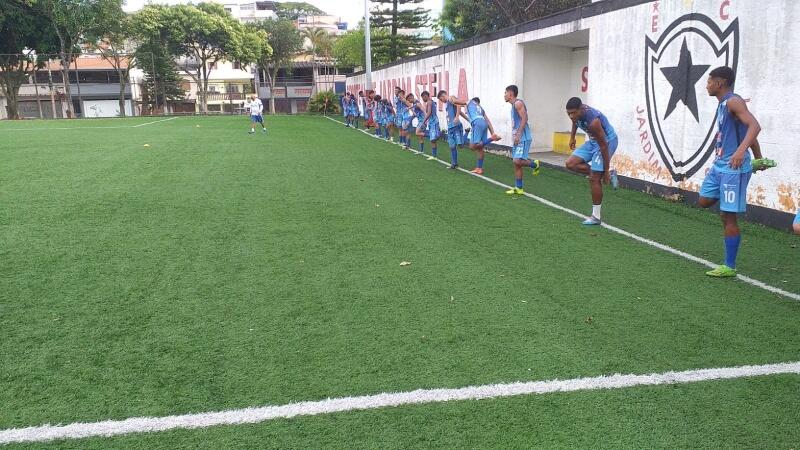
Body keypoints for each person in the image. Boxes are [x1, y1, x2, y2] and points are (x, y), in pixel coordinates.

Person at [698, 66, 766, 277]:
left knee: (728, 217)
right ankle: (747, 170)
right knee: (704, 200)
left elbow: (755, 126)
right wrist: (758, 158)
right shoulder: (723, 105)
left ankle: (729, 266)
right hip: (721, 166)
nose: (707, 85)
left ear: (720, 83)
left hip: (733, 169)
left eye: (709, 81)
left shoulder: (734, 101)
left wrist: (740, 152)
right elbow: (749, 133)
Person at [565, 97, 619, 225]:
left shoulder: (593, 121)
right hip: (594, 142)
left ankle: (596, 217)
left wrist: (605, 170)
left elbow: (604, 145)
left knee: (594, 178)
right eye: (569, 113)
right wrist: (572, 137)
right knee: (570, 164)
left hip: (607, 142)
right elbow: (575, 122)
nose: (571, 116)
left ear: (581, 109)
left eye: (573, 113)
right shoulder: (576, 115)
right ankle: (606, 174)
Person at [503, 85, 540, 195]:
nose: (504, 95)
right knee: (517, 164)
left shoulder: (518, 103)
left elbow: (525, 118)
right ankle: (519, 188)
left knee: (517, 160)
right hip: (517, 138)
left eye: (505, 93)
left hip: (523, 137)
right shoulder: (513, 106)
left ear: (510, 93)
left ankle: (534, 164)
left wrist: (518, 134)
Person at [450, 96, 500, 175]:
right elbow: (488, 121)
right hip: (483, 124)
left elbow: (455, 102)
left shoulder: (469, 102)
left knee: (472, 146)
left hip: (476, 123)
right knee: (480, 148)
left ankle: (491, 139)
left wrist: (451, 98)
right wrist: (492, 132)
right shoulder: (480, 108)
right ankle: (479, 168)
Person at [437, 90, 467, 169]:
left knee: (460, 145)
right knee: (452, 146)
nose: (441, 101)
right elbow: (459, 111)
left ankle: (466, 133)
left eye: (440, 99)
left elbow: (459, 105)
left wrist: (456, 117)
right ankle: (454, 164)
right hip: (450, 127)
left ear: (443, 96)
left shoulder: (451, 98)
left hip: (456, 126)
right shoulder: (447, 103)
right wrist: (468, 119)